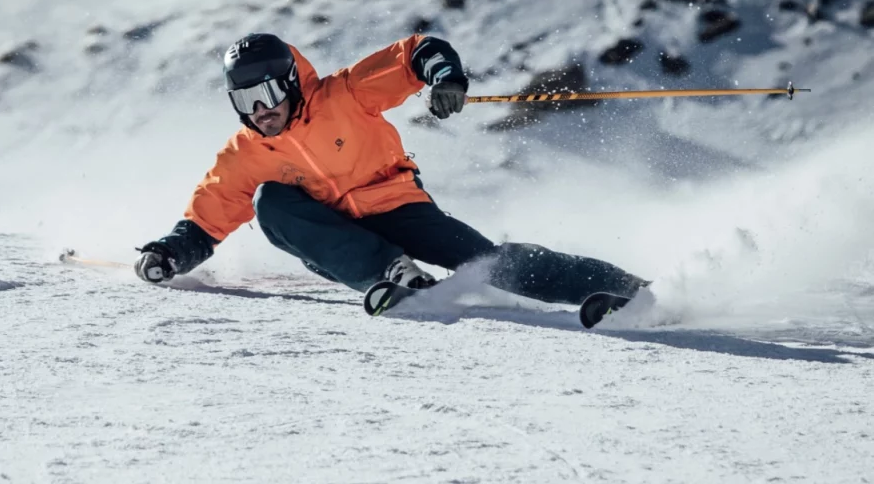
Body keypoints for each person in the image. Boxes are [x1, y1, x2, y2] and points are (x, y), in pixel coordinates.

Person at [134, 32, 646, 309]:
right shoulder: (246, 150)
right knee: (271, 201)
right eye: (244, 101)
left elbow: (412, 55)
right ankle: (391, 274)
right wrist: (170, 253)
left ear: (290, 82)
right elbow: (210, 212)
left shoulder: (344, 94)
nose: (259, 110)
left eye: (266, 93)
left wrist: (444, 77)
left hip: (397, 205)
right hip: (336, 241)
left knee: (484, 261)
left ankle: (624, 289)